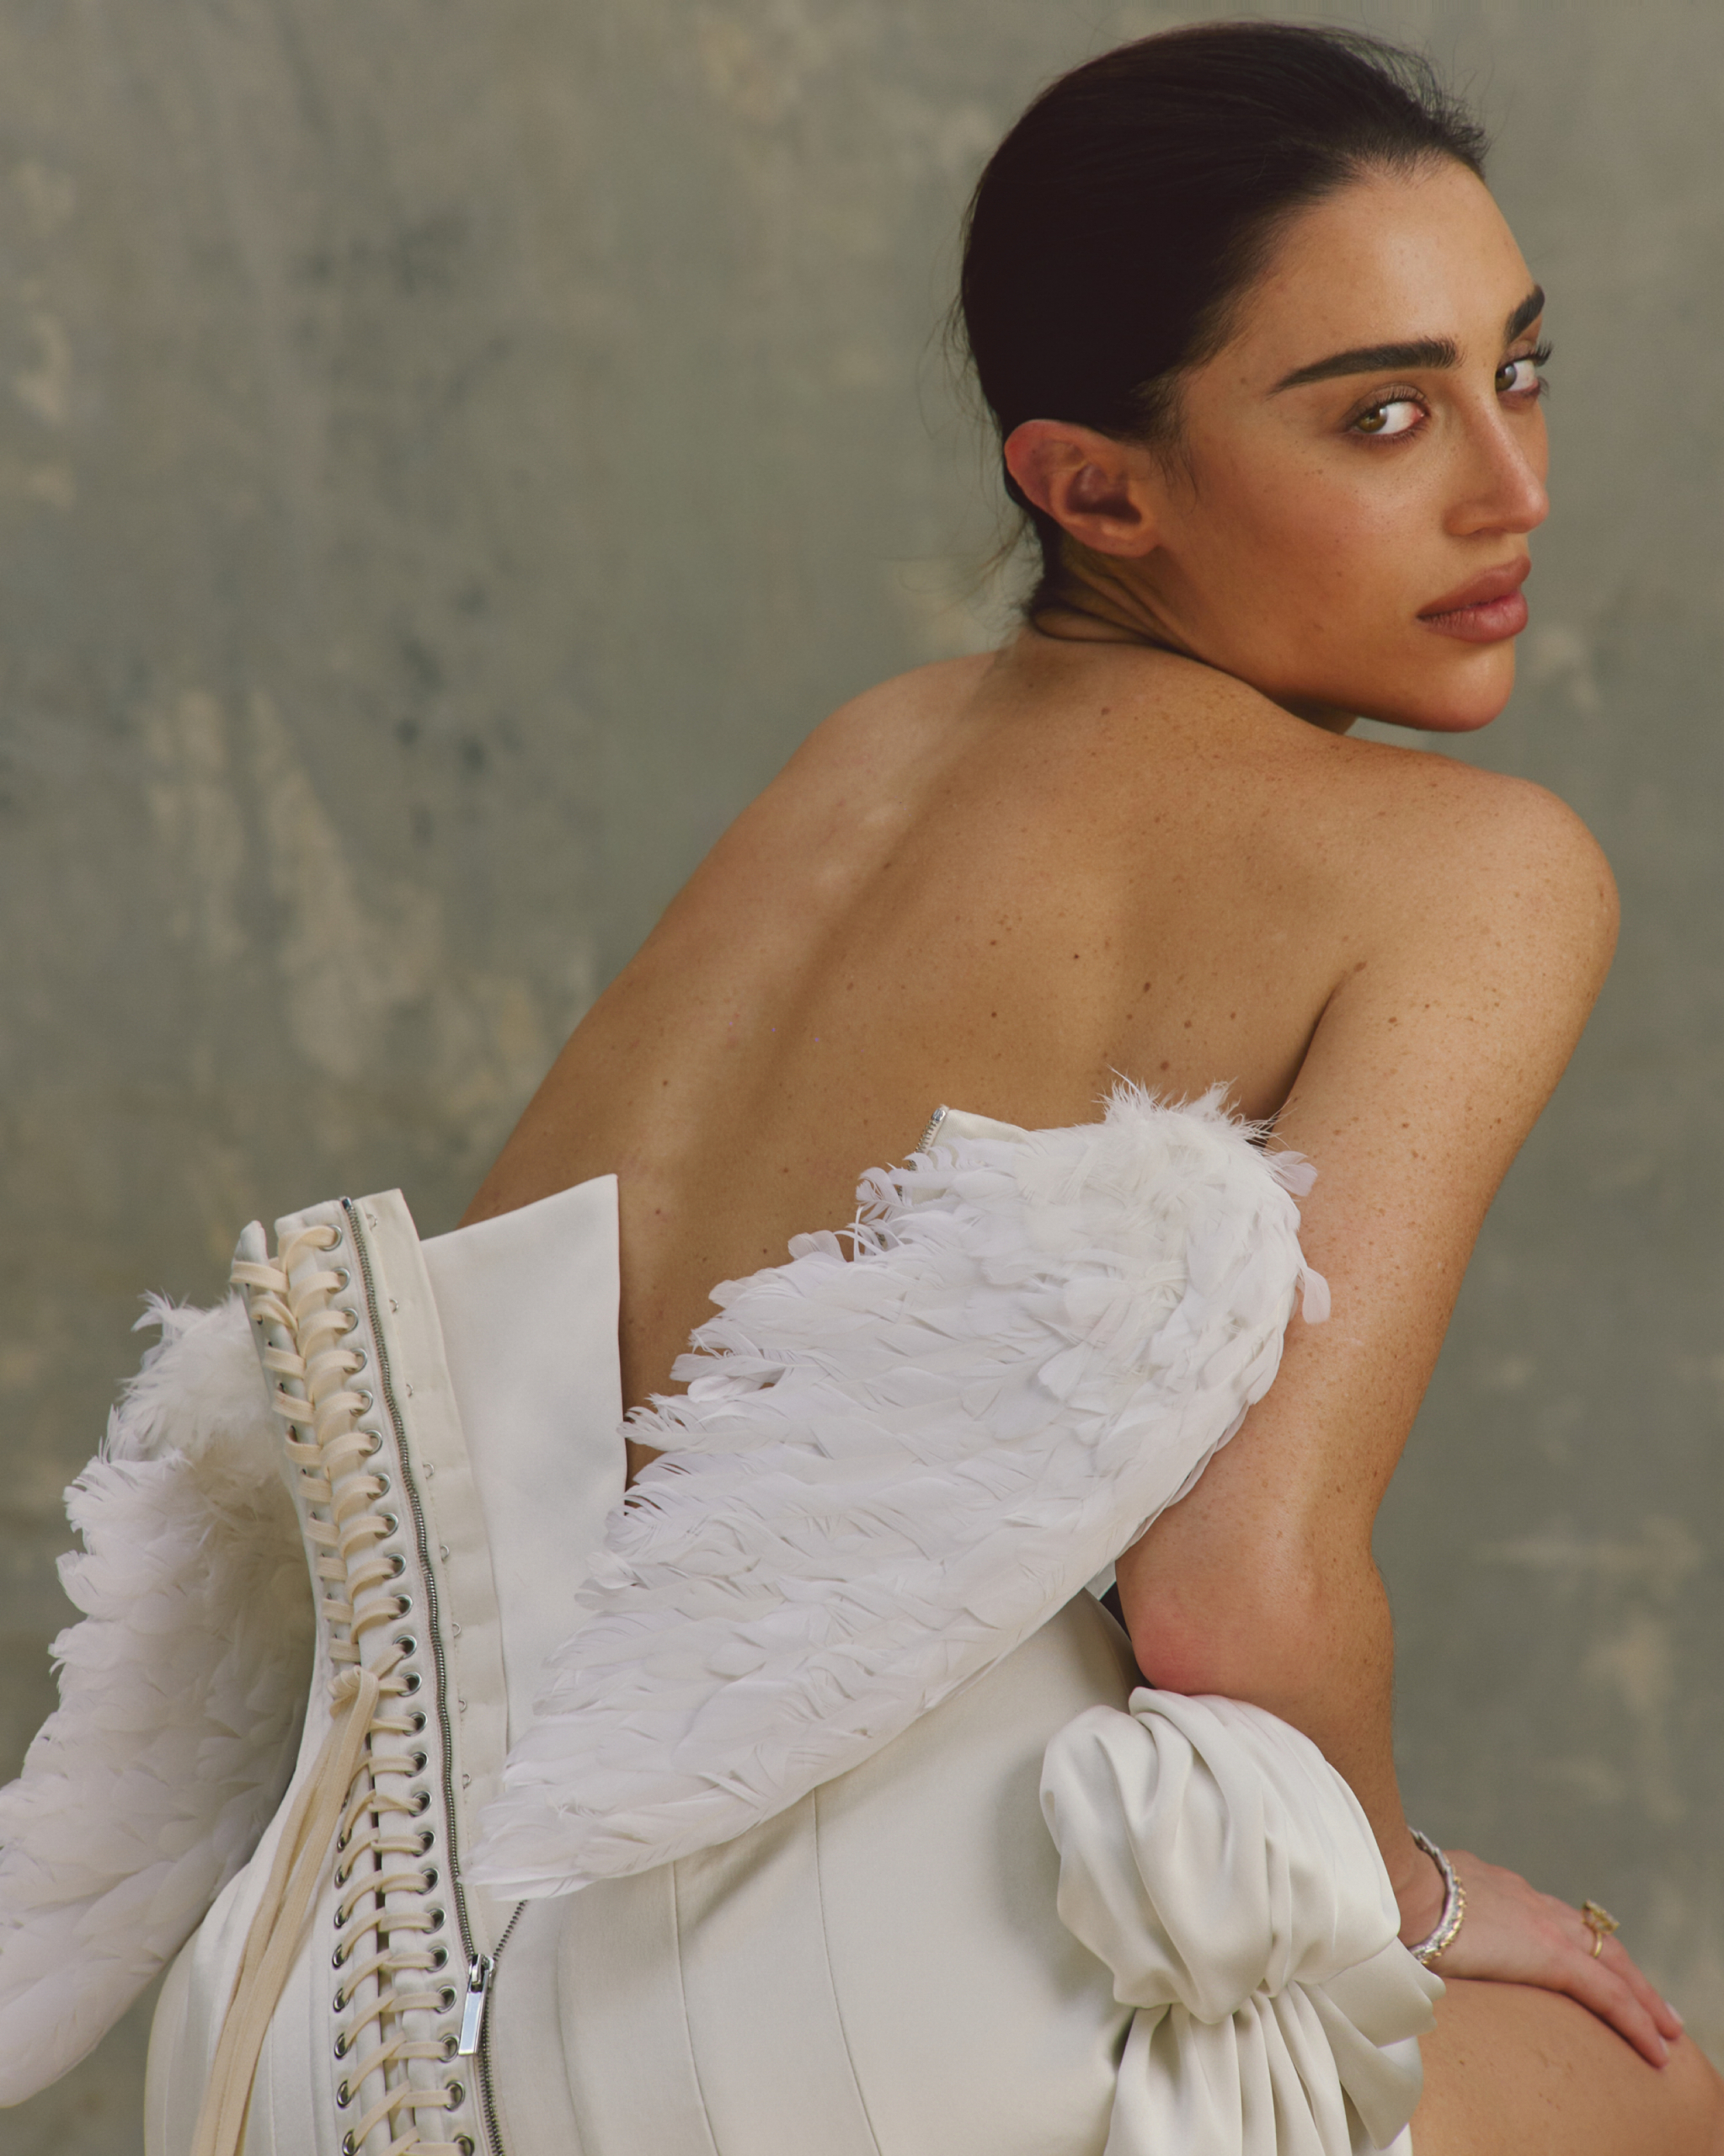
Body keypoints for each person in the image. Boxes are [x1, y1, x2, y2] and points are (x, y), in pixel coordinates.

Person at [2, 21, 1720, 2156]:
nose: (1509, 485)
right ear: (1092, 484)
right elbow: (1239, 1595)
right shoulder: (1479, 869)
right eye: (1383, 412)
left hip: (312, 2031)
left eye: (1517, 369)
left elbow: (554, 1445)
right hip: (831, 2051)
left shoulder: (866, 759)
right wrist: (1419, 1893)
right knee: (1648, 2087)